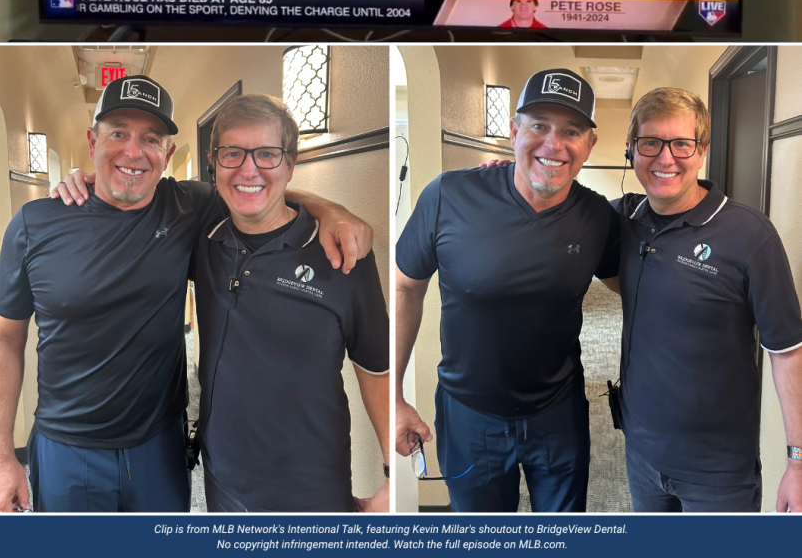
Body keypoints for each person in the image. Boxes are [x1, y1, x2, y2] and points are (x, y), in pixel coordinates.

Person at [0, 75, 373, 514]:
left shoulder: (190, 205)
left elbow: (257, 188)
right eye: (118, 133)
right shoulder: (35, 223)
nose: (133, 151)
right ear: (92, 141)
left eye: (150, 138)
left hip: (159, 444)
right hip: (66, 447)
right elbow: (2, 339)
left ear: (168, 154)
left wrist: (331, 210)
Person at [396, 69, 619, 512]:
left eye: (571, 130)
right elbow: (405, 290)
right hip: (468, 413)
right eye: (538, 125)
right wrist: (395, 398)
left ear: (589, 146)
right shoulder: (447, 196)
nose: (553, 145)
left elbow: (638, 294)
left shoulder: (598, 217)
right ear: (513, 131)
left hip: (559, 412)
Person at [604, 88, 802, 513]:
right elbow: (556, 208)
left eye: (682, 143)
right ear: (630, 151)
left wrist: (798, 463)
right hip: (641, 456)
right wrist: (501, 174)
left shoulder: (752, 236)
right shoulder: (624, 219)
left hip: (718, 474)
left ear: (702, 150)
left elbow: (787, 351)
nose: (665, 158)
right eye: (650, 142)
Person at [194, 94, 389, 513]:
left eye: (267, 154)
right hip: (221, 479)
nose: (249, 169)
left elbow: (376, 367)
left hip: (311, 489)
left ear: (290, 162)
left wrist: (395, 473)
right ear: (213, 161)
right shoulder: (201, 236)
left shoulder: (342, 252)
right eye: (233, 153)